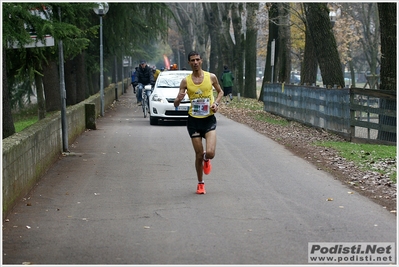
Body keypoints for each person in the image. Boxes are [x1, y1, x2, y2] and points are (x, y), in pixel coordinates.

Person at [174, 51, 224, 194]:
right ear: (189, 63)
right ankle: (200, 183)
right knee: (197, 154)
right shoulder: (185, 81)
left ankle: (207, 159)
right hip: (194, 121)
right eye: (192, 60)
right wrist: (178, 98)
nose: (195, 62)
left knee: (209, 153)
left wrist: (216, 104)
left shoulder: (211, 77)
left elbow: (220, 92)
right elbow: (176, 104)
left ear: (201, 61)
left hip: (208, 119)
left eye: (197, 59)